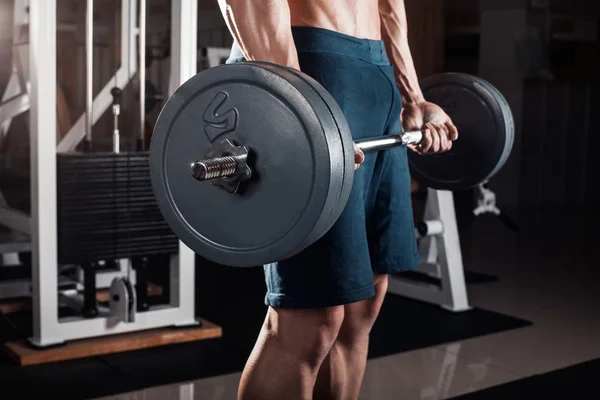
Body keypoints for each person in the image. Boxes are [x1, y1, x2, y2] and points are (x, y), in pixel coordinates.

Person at [218, 1, 458, 399]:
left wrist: (411, 95)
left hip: (375, 72)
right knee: (310, 315)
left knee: (362, 306)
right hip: (310, 61)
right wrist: (296, 103)